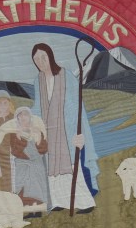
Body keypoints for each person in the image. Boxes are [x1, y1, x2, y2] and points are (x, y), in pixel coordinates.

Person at [30, 43, 99, 213]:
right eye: (36, 59)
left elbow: (76, 106)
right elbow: (38, 106)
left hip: (67, 131)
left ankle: (85, 203)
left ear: (50, 56)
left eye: (43, 57)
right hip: (49, 132)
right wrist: (33, 124)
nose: (40, 61)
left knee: (72, 166)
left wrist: (78, 133)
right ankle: (59, 201)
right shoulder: (38, 80)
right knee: (52, 167)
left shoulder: (65, 75)